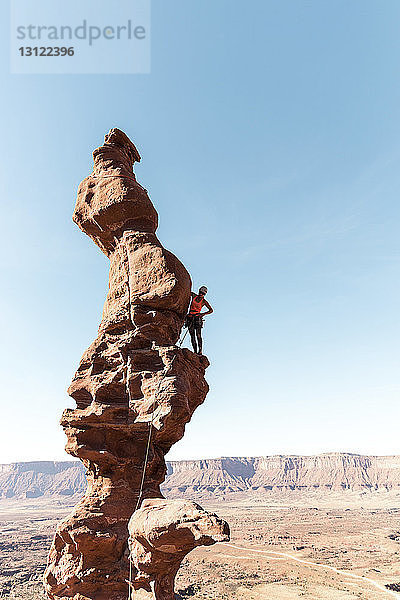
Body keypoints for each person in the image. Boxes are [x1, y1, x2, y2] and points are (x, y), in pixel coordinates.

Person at [185, 286, 213, 355]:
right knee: (192, 335)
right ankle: (195, 351)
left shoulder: (204, 301)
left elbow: (211, 310)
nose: (201, 294)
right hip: (190, 317)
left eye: (203, 293)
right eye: (200, 292)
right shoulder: (194, 296)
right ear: (199, 291)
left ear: (205, 294)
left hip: (197, 318)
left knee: (198, 335)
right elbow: (188, 292)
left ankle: (200, 351)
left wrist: (203, 314)